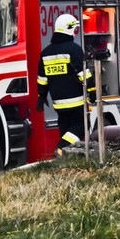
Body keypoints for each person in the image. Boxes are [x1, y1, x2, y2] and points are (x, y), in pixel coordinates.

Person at [35, 14, 95, 157]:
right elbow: (83, 74)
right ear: (68, 29)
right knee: (81, 126)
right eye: (74, 29)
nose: (75, 32)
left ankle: (65, 160)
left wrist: (41, 96)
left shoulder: (46, 53)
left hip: (58, 103)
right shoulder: (73, 49)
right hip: (76, 101)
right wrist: (92, 91)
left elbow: (42, 78)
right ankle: (61, 149)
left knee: (66, 129)